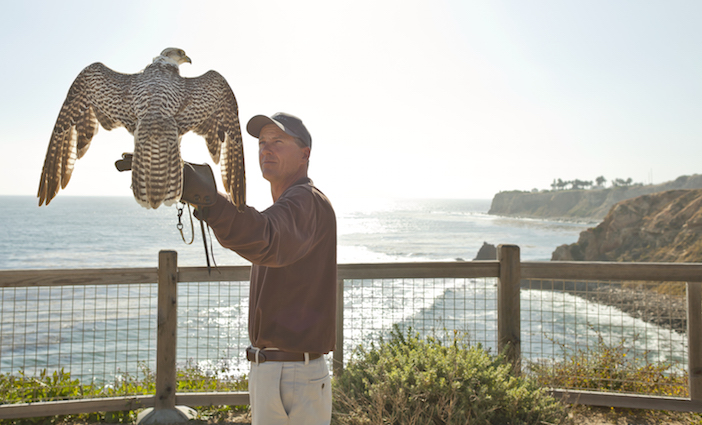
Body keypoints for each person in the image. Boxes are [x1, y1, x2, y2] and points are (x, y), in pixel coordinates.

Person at [189, 112, 337, 425]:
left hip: (293, 373)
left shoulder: (306, 201)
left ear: (304, 154)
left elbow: (265, 237)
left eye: (278, 142)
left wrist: (209, 201)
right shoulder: (289, 207)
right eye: (262, 143)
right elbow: (263, 229)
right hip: (278, 370)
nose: (266, 150)